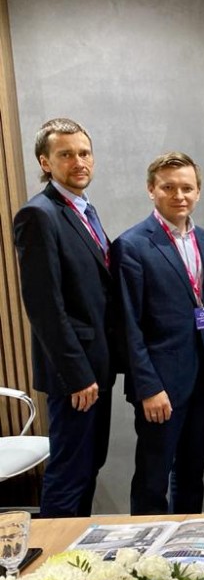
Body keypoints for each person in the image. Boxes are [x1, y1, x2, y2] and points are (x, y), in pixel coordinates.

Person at [110, 152, 204, 515]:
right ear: (151, 190)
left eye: (187, 188)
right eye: (168, 187)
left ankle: (186, 540)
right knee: (153, 478)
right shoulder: (131, 245)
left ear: (198, 192)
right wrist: (148, 387)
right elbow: (127, 326)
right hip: (160, 386)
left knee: (193, 473)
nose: (179, 195)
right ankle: (147, 547)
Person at [12, 118, 119, 517]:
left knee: (89, 466)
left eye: (84, 153)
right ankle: (54, 552)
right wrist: (77, 374)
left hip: (96, 367)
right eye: (66, 154)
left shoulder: (85, 209)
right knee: (70, 472)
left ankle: (77, 548)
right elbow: (45, 307)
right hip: (75, 375)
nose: (79, 162)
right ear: (45, 162)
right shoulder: (38, 215)